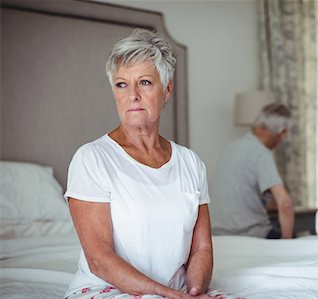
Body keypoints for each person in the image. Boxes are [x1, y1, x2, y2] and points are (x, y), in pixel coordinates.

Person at [64, 29, 215, 299]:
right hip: (107, 290)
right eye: (121, 84)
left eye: (144, 82)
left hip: (178, 293)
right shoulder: (92, 159)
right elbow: (99, 259)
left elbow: (201, 249)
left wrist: (192, 293)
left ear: (167, 89)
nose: (132, 94)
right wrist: (170, 296)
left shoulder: (191, 163)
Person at [211, 103, 295, 239]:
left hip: (217, 236)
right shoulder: (261, 153)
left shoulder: (230, 148)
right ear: (282, 133)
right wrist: (287, 244)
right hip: (251, 235)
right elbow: (285, 204)